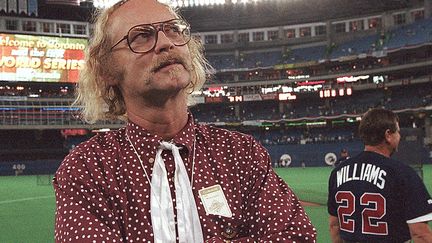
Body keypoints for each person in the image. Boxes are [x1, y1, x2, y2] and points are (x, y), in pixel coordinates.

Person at [53, 0, 317, 242]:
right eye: (142, 36)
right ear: (107, 70)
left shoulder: (241, 154)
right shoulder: (88, 168)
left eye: (174, 30)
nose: (166, 43)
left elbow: (296, 236)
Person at [327, 108, 432, 243]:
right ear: (388, 135)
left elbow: (334, 226)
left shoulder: (338, 172)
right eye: (397, 132)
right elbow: (421, 235)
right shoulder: (403, 174)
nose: (399, 136)